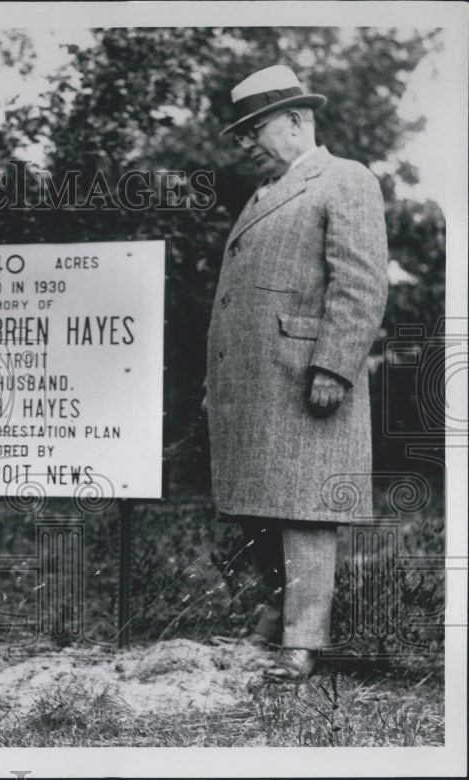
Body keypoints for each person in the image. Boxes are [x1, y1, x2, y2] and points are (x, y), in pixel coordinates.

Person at [204, 65, 389, 680]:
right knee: (260, 506)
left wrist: (334, 364)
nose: (248, 142)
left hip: (305, 375)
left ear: (294, 119)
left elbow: (360, 282)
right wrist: (217, 383)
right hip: (255, 384)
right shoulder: (265, 194)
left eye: (254, 128)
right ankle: (275, 618)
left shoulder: (345, 179)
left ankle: (301, 645)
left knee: (306, 510)